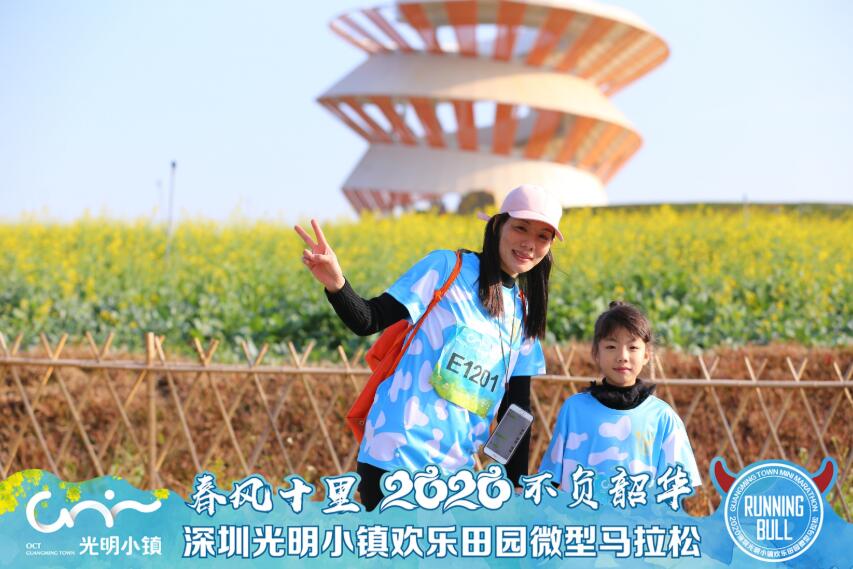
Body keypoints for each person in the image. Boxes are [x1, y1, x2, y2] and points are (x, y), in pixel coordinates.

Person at [294, 185, 562, 511]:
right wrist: (337, 284)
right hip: (396, 454)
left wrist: (515, 483)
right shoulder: (447, 268)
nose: (529, 243)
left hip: (456, 473)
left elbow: (516, 409)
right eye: (520, 228)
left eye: (543, 237)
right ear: (497, 226)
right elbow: (369, 319)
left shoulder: (523, 313)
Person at [539, 301, 701, 496]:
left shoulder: (662, 417)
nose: (622, 356)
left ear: (647, 355)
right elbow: (549, 481)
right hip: (581, 515)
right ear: (596, 353)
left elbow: (678, 489)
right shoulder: (574, 410)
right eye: (611, 346)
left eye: (632, 347)